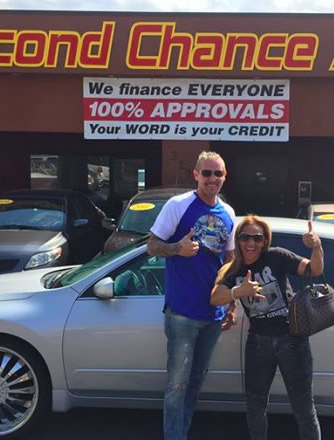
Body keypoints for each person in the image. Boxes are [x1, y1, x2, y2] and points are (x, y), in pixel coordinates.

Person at [147, 151, 236, 440]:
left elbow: (230, 261)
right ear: (195, 174)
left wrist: (231, 304)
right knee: (177, 385)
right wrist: (177, 249)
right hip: (182, 314)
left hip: (213, 314)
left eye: (218, 173)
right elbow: (152, 246)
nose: (212, 178)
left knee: (196, 381)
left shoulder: (229, 213)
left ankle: (181, 432)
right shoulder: (178, 205)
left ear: (225, 177)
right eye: (206, 173)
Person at [211, 215, 324, 440]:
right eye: (245, 237)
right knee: (255, 406)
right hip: (258, 342)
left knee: (304, 408)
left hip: (292, 339)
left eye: (257, 238)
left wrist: (316, 246)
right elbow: (215, 298)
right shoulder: (233, 269)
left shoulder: (277, 256)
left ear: (265, 241)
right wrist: (238, 292)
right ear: (238, 239)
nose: (251, 243)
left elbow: (314, 269)